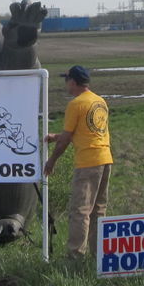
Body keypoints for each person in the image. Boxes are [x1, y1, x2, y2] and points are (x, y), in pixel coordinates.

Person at [44, 65, 113, 259]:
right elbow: (84, 132)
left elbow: (67, 139)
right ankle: (99, 256)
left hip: (88, 162)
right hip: (105, 159)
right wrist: (56, 136)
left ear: (73, 82)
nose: (66, 83)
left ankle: (75, 256)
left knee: (80, 211)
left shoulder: (76, 104)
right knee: (98, 210)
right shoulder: (99, 101)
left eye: (67, 80)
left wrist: (52, 160)